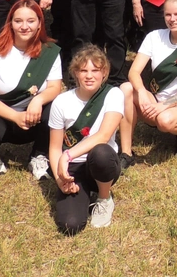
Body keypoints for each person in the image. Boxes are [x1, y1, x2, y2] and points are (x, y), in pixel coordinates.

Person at [0, 0, 63, 179]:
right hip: (1, 115)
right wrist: (14, 116)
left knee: (59, 107)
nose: (24, 26)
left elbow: (54, 87)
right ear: (10, 23)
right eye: (18, 21)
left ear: (39, 24)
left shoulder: (49, 51)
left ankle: (40, 154)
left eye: (30, 21)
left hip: (33, 115)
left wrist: (38, 100)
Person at [119, 0, 177, 164]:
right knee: (125, 89)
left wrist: (164, 106)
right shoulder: (154, 37)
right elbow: (134, 72)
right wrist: (142, 91)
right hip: (156, 100)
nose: (172, 19)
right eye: (168, 14)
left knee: (164, 121)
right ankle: (126, 153)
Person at [47, 44, 125, 233]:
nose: (89, 75)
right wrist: (61, 181)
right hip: (74, 169)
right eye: (83, 70)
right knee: (70, 225)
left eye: (95, 70)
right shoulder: (61, 101)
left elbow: (104, 135)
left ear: (104, 72)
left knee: (100, 152)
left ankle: (104, 197)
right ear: (75, 73)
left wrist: (68, 156)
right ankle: (83, 194)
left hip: (102, 162)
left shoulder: (113, 94)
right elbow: (55, 148)